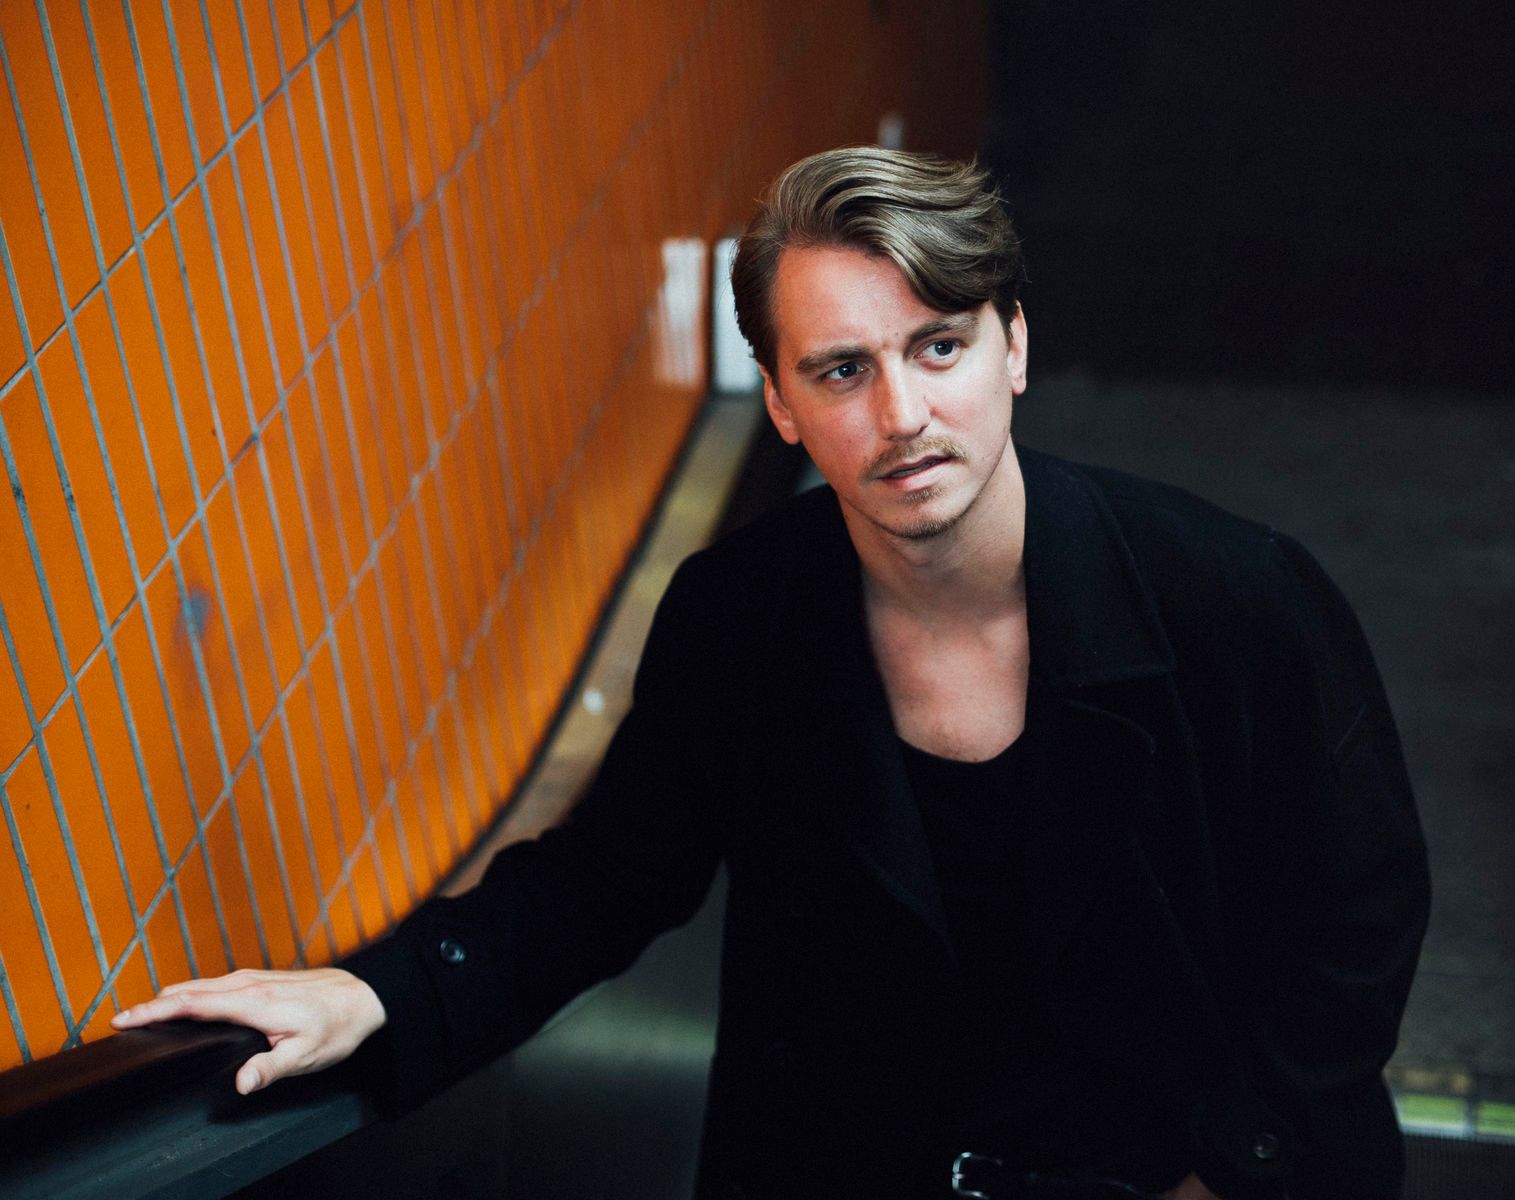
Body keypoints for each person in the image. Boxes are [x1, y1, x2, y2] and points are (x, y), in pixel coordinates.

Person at [113, 147, 1430, 1200]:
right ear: (784, 405)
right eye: (843, 370)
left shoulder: (1236, 599)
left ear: (1014, 347)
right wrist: (383, 990)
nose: (902, 416)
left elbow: (1357, 919)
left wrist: (1227, 1175)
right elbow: (611, 878)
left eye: (940, 346)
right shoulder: (743, 615)